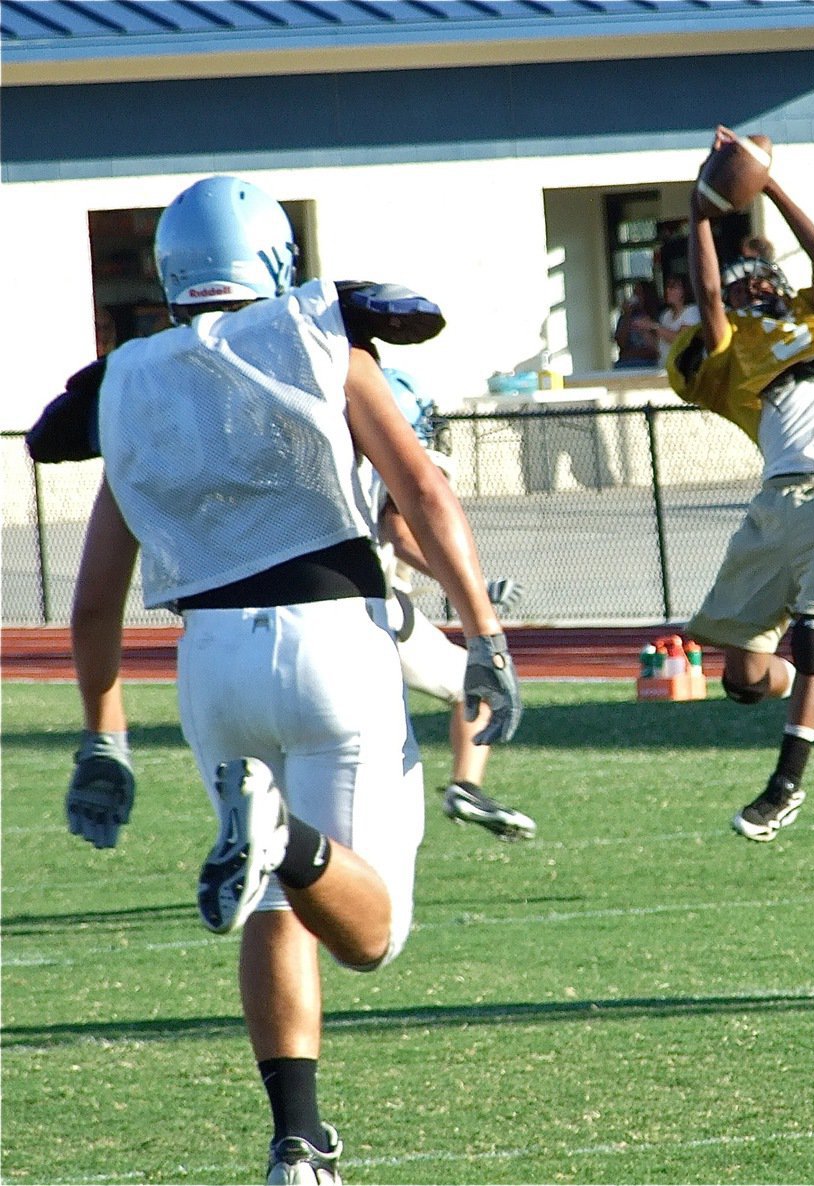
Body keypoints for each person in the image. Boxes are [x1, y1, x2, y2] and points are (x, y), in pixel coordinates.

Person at [34, 175, 521, 1184]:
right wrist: (485, 632)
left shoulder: (135, 379)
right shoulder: (319, 337)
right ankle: (282, 834)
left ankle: (298, 1142)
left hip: (210, 665)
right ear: (272, 256)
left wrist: (104, 735)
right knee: (370, 935)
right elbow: (423, 492)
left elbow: (93, 602)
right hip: (333, 639)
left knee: (271, 906)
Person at [666, 125, 814, 843]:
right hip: (775, 502)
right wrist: (702, 215)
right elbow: (709, 293)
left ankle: (785, 785)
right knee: (742, 678)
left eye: (763, 276)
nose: (755, 285)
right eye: (746, 282)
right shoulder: (735, 350)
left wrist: (766, 180)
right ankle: (812, 686)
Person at [370, 367, 536, 840]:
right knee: (473, 684)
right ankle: (465, 787)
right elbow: (399, 532)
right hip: (374, 604)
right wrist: (470, 587)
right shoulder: (402, 455)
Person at [640, 274, 700, 367]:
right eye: (667, 287)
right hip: (663, 368)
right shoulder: (666, 315)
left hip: (682, 369)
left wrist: (654, 326)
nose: (668, 290)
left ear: (684, 291)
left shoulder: (692, 311)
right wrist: (644, 329)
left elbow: (681, 340)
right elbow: (659, 347)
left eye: (673, 287)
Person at [613, 278, 662, 368]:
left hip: (649, 364)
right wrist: (627, 315)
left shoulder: (657, 316)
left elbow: (656, 349)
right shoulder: (626, 317)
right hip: (626, 363)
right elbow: (621, 344)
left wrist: (633, 353)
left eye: (639, 293)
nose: (635, 296)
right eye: (634, 293)